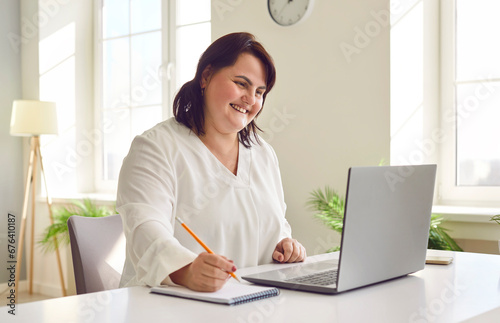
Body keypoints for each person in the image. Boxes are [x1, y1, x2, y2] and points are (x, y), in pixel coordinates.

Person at [117, 32, 306, 292]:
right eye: (241, 84)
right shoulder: (155, 148)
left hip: (247, 303)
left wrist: (284, 244)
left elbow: (276, 222)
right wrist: (186, 270)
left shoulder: (264, 155)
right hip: (166, 305)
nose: (251, 100)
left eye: (259, 92)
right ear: (206, 77)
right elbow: (145, 230)